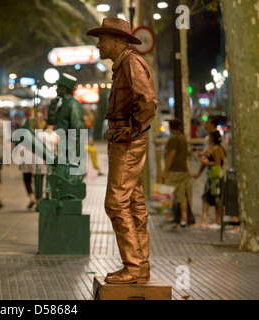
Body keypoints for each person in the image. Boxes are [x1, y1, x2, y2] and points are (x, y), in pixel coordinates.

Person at [87, 17, 157, 284]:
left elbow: (147, 102)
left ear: (117, 42)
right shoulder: (123, 65)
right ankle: (140, 265)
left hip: (128, 142)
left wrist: (132, 130)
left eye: (102, 40)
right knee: (133, 203)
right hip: (122, 139)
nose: (98, 45)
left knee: (115, 202)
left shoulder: (131, 63)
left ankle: (134, 266)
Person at [192, 130, 226, 229]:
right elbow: (207, 156)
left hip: (216, 177)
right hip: (212, 177)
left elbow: (217, 164)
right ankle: (217, 220)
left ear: (212, 138)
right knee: (215, 199)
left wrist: (206, 163)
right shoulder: (212, 148)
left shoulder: (216, 149)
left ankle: (205, 220)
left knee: (207, 197)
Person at [161, 119, 192, 228]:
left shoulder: (173, 139)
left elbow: (171, 155)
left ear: (170, 127)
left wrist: (165, 171)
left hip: (174, 171)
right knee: (182, 196)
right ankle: (184, 219)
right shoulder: (183, 138)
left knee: (167, 193)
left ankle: (169, 215)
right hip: (184, 171)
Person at [47, 73, 84, 161]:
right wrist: (52, 107)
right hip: (64, 145)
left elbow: (77, 129)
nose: (56, 89)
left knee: (67, 173)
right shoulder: (63, 103)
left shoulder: (73, 104)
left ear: (63, 89)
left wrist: (70, 149)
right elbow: (51, 121)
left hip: (70, 149)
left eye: (58, 86)